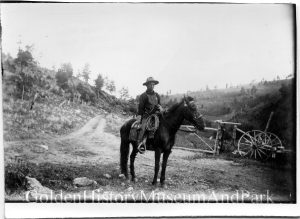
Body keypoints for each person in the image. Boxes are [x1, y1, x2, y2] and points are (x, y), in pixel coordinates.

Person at [137, 77, 163, 148]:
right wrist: (140, 118)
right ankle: (139, 143)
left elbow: (159, 105)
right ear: (147, 85)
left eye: (153, 84)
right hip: (147, 116)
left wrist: (160, 109)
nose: (152, 86)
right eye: (150, 84)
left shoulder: (157, 95)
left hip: (156, 116)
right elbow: (140, 108)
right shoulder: (143, 96)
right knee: (143, 128)